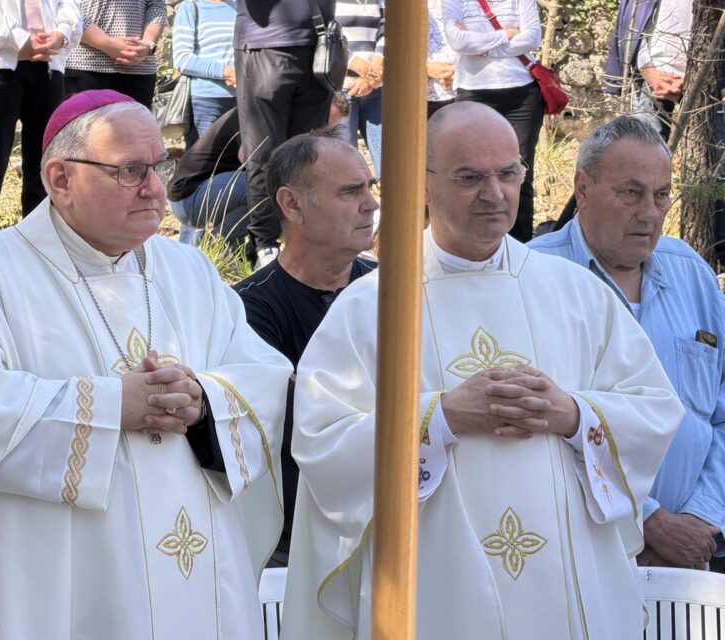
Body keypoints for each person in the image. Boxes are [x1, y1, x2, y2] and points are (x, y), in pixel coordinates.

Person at [283, 102, 682, 638]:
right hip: (437, 592)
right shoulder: (370, 307)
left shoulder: (575, 292)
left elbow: (654, 409)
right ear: (421, 183)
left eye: (508, 174)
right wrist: (440, 418)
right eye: (470, 177)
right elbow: (322, 443)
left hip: (567, 588)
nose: (495, 195)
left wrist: (573, 413)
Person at [0, 89, 291, 639]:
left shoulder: (188, 270)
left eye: (159, 166)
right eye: (131, 171)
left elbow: (264, 378)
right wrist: (113, 405)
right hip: (69, 577)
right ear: (61, 179)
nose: (156, 188)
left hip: (200, 568)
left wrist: (203, 400)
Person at [531, 116, 725, 571]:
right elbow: (539, 429)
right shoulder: (532, 276)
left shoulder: (690, 272)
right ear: (582, 187)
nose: (650, 213)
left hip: (696, 550)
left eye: (661, 195)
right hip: (582, 549)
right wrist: (650, 522)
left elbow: (721, 410)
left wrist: (702, 516)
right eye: (631, 193)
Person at [233, 130, 377, 568]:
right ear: (292, 204)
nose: (370, 205)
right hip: (294, 542)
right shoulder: (245, 311)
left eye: (369, 188)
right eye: (350, 192)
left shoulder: (393, 289)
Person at [0, 0, 80, 237]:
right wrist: (20, 39)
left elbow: (70, 6)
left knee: (45, 168)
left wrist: (62, 33)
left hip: (48, 68)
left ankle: (38, 249)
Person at [233, 0, 336, 266]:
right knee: (264, 155)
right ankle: (265, 246)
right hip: (265, 44)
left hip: (319, 45)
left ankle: (307, 240)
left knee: (311, 157)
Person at [443, 0, 544, 243]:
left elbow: (532, 38)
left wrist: (482, 46)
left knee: (519, 173)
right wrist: (506, 36)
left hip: (522, 94)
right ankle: (472, 240)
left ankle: (520, 246)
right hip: (474, 91)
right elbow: (458, 41)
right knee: (469, 171)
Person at [603, 0, 691, 138]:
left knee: (712, 147)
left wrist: (692, 77)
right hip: (649, 76)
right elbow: (633, 23)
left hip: (702, 77)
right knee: (647, 146)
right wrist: (648, 70)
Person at [166, 107, 248, 245]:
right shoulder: (253, 113)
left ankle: (213, 248)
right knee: (262, 188)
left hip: (200, 192)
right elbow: (249, 158)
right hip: (188, 197)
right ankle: (216, 248)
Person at [64, 0, 165, 106]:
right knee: (83, 122)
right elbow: (65, 6)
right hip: (85, 64)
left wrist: (148, 43)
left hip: (139, 69)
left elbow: (156, 5)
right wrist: (107, 43)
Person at [170, 0, 237, 148]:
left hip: (245, 99)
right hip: (206, 102)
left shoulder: (244, 8)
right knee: (204, 165)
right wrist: (227, 72)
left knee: (242, 164)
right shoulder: (191, 7)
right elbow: (183, 59)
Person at [335, 0, 385, 177]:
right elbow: (326, 33)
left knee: (389, 162)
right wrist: (361, 68)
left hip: (376, 88)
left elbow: (387, 28)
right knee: (344, 166)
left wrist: (376, 70)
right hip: (342, 89)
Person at [427, 0, 456, 116]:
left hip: (463, 92)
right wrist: (426, 68)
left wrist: (461, 70)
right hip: (422, 97)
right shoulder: (407, 6)